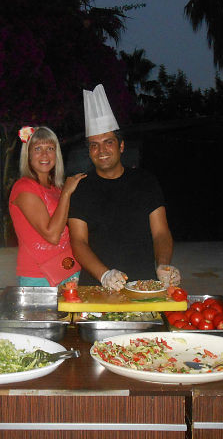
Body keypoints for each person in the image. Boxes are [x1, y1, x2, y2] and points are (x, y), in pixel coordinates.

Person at [68, 84, 180, 291]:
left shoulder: (146, 181)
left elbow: (161, 233)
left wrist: (163, 264)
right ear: (89, 151)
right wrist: (104, 275)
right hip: (96, 288)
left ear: (121, 146)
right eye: (94, 145)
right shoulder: (81, 188)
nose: (101, 150)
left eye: (108, 142)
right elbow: (78, 242)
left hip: (143, 286)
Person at [9, 126, 86, 287]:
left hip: (69, 270)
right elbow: (52, 235)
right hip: (39, 277)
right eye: (38, 149)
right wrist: (67, 193)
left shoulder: (57, 189)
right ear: (28, 155)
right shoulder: (24, 187)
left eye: (50, 148)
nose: (44, 155)